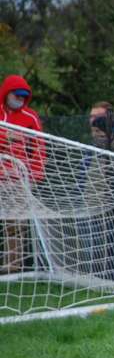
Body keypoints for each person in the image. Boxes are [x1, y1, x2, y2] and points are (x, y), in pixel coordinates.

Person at [0, 74, 45, 274]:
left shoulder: (30, 117)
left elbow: (39, 149)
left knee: (15, 222)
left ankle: (14, 264)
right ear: (7, 93)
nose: (19, 99)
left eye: (23, 96)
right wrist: (5, 136)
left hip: (17, 179)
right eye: (16, 95)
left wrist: (34, 174)